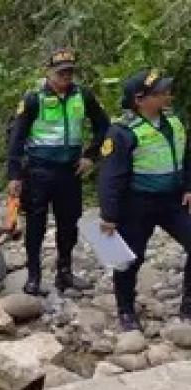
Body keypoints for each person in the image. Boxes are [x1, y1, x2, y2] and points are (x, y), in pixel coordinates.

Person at [7, 48, 110, 296]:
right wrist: (14, 176)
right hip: (38, 172)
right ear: (48, 73)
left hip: (70, 172)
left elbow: (103, 126)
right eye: (61, 73)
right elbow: (16, 138)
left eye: (70, 72)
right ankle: (33, 276)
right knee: (36, 224)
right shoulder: (34, 99)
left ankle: (65, 273)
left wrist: (90, 155)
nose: (66, 77)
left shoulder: (82, 96)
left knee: (68, 224)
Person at [98, 69, 191, 331]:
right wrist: (109, 215)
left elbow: (186, 157)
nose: (167, 95)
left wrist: (188, 186)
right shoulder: (122, 132)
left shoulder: (174, 121)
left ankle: (189, 306)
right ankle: (126, 310)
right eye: (159, 92)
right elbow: (110, 177)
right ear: (140, 99)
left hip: (173, 201)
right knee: (129, 259)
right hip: (137, 204)